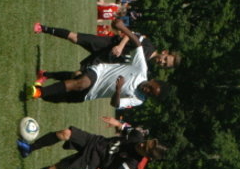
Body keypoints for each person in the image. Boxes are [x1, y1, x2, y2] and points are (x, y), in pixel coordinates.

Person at [29, 19, 166, 109]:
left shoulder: (138, 99)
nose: (147, 90)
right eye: (150, 87)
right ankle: (39, 91)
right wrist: (122, 28)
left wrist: (118, 90)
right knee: (81, 82)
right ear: (152, 81)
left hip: (92, 93)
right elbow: (137, 43)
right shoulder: (141, 69)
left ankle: (43, 86)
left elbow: (115, 104)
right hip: (99, 71)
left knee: (58, 97)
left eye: (150, 94)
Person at [15, 116, 167, 169]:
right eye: (145, 143)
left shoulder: (133, 162)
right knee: (66, 133)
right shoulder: (138, 136)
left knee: (56, 168)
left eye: (144, 148)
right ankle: (29, 148)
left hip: (92, 161)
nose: (142, 145)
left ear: (147, 156)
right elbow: (125, 127)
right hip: (95, 142)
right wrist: (116, 123)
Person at [33, 21, 180, 72]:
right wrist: (120, 46)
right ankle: (43, 28)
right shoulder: (148, 45)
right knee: (74, 37)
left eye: (164, 64)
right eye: (165, 59)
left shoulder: (144, 67)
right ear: (164, 52)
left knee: (78, 74)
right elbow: (130, 34)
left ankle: (45, 75)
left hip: (105, 60)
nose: (162, 62)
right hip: (108, 44)